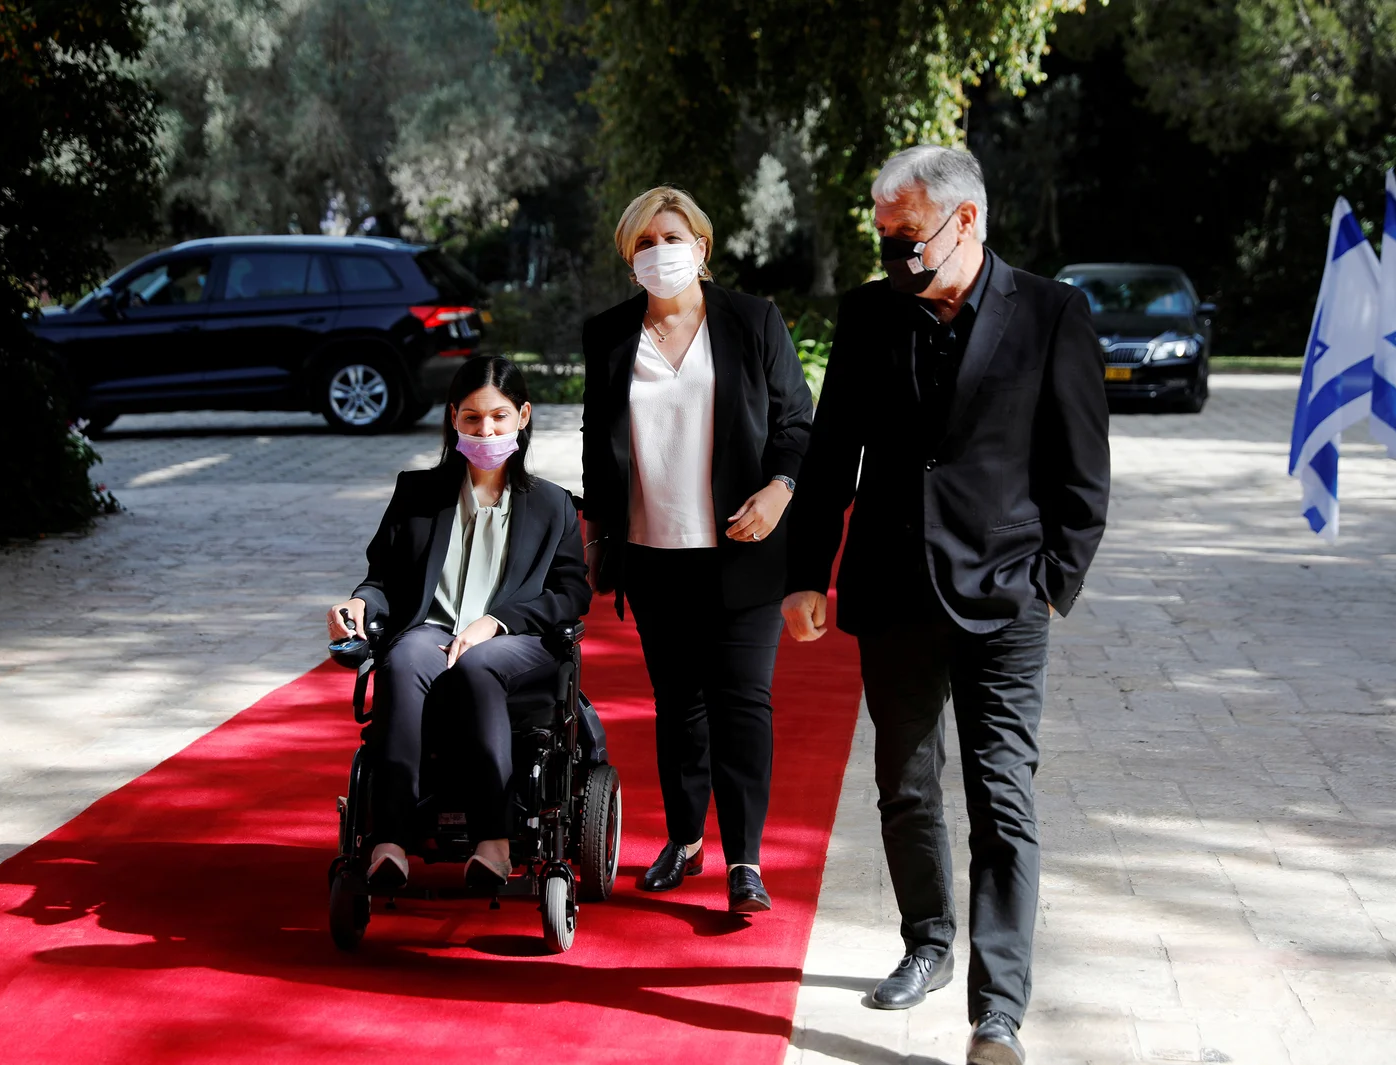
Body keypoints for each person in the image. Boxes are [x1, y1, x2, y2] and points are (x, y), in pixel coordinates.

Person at [782, 146, 1109, 1065]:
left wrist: (1055, 581)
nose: (891, 253)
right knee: (905, 786)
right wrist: (808, 573)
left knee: (1003, 798)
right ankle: (927, 938)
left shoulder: (1052, 312)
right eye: (882, 236)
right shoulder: (866, 313)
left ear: (966, 221)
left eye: (905, 235)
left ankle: (996, 1010)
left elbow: (1083, 469)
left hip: (1007, 599)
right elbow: (831, 451)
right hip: (891, 593)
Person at [580, 186, 814, 914]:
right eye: (643, 243)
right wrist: (596, 540)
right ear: (629, 259)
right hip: (653, 552)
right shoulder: (610, 335)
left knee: (742, 701)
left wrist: (780, 489)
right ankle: (684, 841)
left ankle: (744, 860)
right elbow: (597, 444)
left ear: (702, 247)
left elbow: (798, 424)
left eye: (671, 237)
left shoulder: (753, 320)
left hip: (743, 549)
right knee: (678, 704)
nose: (660, 252)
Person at [327, 355, 591, 894]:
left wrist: (497, 621)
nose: (485, 430)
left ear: (523, 416)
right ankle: (390, 841)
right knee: (401, 661)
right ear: (453, 418)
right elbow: (383, 580)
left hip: (516, 641)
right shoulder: (417, 494)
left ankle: (493, 842)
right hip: (432, 628)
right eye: (472, 418)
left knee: (478, 666)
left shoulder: (552, 505)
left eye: (497, 416)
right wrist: (358, 605)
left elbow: (572, 592)